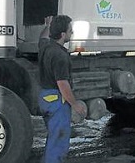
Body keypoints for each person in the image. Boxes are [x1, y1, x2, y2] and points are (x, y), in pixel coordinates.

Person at [38, 15, 86, 163]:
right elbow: (62, 84)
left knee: (53, 136)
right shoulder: (60, 55)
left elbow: (42, 38)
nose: (72, 33)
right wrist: (75, 104)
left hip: (45, 98)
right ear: (63, 34)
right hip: (57, 101)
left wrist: (48, 25)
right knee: (59, 140)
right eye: (70, 30)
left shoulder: (46, 47)